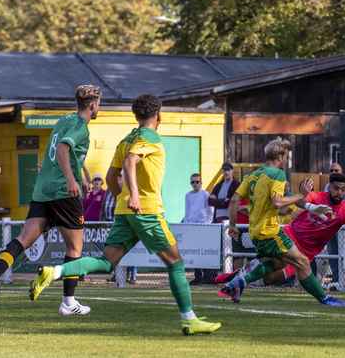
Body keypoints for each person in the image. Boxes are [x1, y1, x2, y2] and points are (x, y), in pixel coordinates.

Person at [28, 94, 221, 335]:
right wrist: (136, 196)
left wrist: (124, 197)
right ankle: (189, 319)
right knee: (176, 263)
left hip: (125, 212)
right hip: (147, 211)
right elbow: (130, 163)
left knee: (107, 262)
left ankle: (54, 271)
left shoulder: (126, 138)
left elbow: (111, 177)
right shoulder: (148, 136)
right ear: (158, 114)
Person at [0, 84, 101, 315]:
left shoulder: (64, 120)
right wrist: (71, 179)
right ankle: (68, 302)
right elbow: (65, 149)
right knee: (75, 248)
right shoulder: (81, 128)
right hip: (63, 192)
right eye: (99, 104)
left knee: (24, 239)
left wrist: (81, 174)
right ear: (94, 105)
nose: (99, 108)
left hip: (42, 189)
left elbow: (68, 151)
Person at [219, 137, 345, 307]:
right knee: (301, 261)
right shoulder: (278, 175)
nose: (286, 159)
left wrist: (233, 225)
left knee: (275, 263)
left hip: (255, 232)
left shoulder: (253, 175)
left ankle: (238, 282)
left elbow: (235, 200)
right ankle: (324, 298)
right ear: (281, 156)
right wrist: (301, 195)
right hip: (270, 231)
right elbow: (278, 202)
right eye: (286, 155)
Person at [215, 173, 345, 286]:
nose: (339, 192)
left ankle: (236, 277)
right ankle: (236, 281)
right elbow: (299, 200)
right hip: (290, 236)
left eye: (343, 190)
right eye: (336, 188)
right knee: (277, 262)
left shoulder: (344, 211)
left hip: (306, 252)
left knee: (271, 278)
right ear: (330, 188)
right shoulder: (318, 197)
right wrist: (311, 206)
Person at [321, 162, 345, 286]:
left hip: (343, 228)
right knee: (333, 254)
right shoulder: (326, 187)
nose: (334, 172)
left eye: (336, 170)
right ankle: (336, 281)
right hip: (330, 227)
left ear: (341, 172)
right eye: (331, 170)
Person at [184, 173, 214, 284]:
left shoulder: (206, 194)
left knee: (204, 251)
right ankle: (198, 276)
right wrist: (187, 224)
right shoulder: (188, 195)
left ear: (201, 183)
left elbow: (211, 211)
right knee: (195, 252)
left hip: (203, 227)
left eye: (197, 182)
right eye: (193, 182)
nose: (195, 184)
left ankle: (207, 276)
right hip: (192, 227)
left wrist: (207, 224)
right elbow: (187, 211)